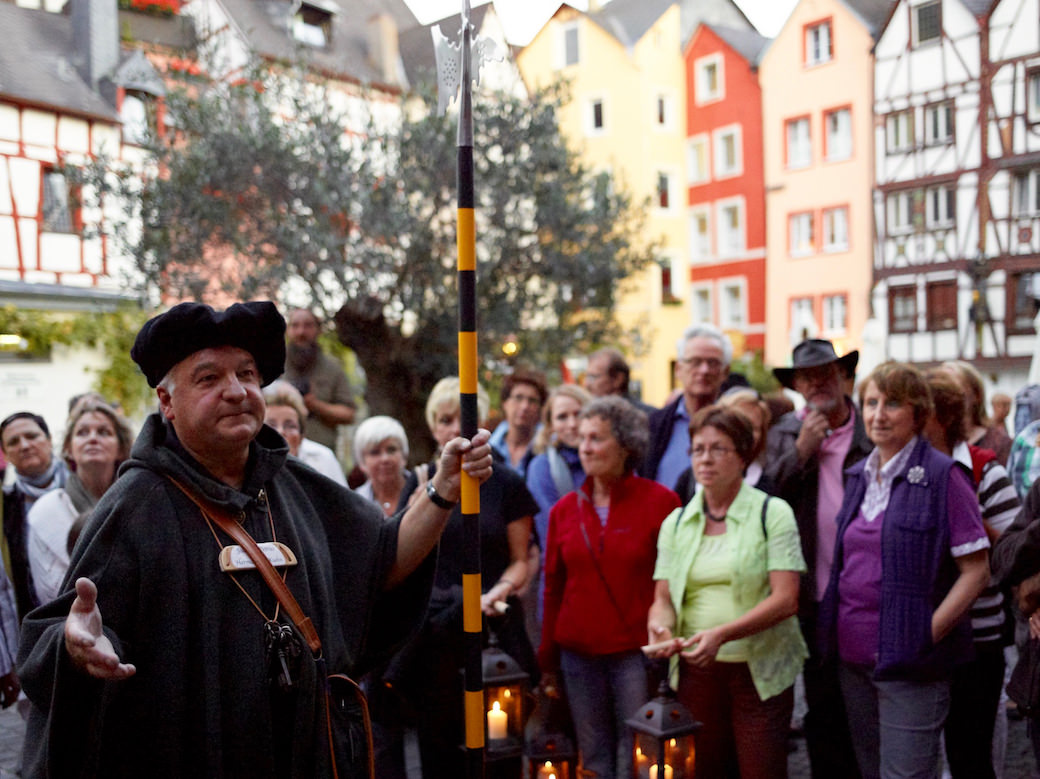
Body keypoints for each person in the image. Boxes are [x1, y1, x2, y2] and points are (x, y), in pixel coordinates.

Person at [17, 301, 493, 777]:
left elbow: (384, 564)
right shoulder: (134, 506)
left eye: (246, 373)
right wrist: (75, 643)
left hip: (306, 755)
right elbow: (59, 633)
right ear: (166, 402)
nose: (236, 391)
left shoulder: (298, 487)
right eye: (209, 379)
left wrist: (441, 492)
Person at [818, 362, 990, 779]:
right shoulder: (858, 474)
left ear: (918, 413)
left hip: (912, 664)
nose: (878, 414)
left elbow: (976, 570)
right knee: (871, 771)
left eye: (892, 403)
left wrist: (925, 633)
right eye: (871, 402)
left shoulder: (942, 475)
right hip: (852, 660)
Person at [375, 376, 538, 779]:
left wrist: (498, 591)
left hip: (493, 622)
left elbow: (523, 559)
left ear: (481, 423)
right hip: (437, 630)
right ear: (433, 426)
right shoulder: (420, 481)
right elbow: (403, 552)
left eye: (464, 420)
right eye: (445, 420)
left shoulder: (508, 483)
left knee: (499, 741)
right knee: (439, 743)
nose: (455, 429)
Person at [648, 406, 807, 779]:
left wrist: (722, 634)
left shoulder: (773, 513)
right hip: (696, 673)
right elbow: (663, 599)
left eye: (718, 449)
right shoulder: (677, 521)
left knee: (760, 770)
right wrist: (662, 631)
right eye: (698, 448)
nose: (705, 458)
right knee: (703, 769)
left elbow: (786, 599)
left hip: (759, 673)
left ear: (742, 455)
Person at [540, 396, 680, 779]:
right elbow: (552, 586)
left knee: (642, 751)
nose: (585, 447)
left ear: (626, 446)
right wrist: (547, 658)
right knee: (594, 755)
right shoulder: (563, 510)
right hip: (577, 655)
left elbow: (672, 582)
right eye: (582, 439)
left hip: (633, 654)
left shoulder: (662, 503)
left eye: (597, 438)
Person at [764, 338, 871, 778]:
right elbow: (766, 497)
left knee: (865, 707)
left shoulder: (872, 428)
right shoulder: (786, 433)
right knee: (822, 705)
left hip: (864, 591)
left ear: (843, 376)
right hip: (811, 593)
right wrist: (802, 451)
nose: (818, 383)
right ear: (797, 386)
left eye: (826, 373)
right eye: (807, 377)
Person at [922, 370, 1019, 778]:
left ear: (941, 418)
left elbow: (1017, 554)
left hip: (978, 635)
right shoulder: (903, 470)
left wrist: (971, 521)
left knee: (969, 754)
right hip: (921, 636)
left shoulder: (984, 470)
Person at [26, 399, 134, 605]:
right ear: (68, 448)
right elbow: (52, 596)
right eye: (82, 432)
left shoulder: (138, 504)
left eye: (104, 432)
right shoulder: (46, 511)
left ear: (121, 448)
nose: (92, 438)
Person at [645, 324, 730, 491]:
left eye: (712, 363)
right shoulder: (653, 425)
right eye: (695, 362)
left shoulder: (737, 426)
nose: (704, 370)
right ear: (678, 369)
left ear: (725, 372)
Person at [0, 411, 68, 620]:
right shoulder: (6, 507)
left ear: (49, 441)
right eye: (14, 442)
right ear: (6, 454)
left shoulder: (80, 489)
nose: (25, 445)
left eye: (32, 436)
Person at [674, 388, 772, 502]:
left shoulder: (771, 483)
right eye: (736, 424)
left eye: (753, 427)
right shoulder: (689, 479)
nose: (744, 432)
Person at [281, 307, 356, 451]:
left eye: (308, 325)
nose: (301, 332)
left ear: (318, 330)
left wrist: (315, 405)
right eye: (295, 325)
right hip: (280, 452)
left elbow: (349, 414)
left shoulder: (333, 368)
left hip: (322, 453)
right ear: (288, 331)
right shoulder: (273, 365)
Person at [261, 379, 347, 486]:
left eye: (290, 426)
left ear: (301, 435)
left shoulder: (322, 458)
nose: (280, 432)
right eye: (271, 425)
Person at [944, 360, 1012, 465]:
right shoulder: (932, 441)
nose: (946, 395)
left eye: (955, 387)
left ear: (976, 395)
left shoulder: (999, 442)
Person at [489, 368, 548, 476]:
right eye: (518, 398)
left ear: (541, 407)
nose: (525, 406)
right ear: (505, 403)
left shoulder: (549, 449)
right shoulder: (488, 448)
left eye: (532, 400)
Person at [352, 415, 412, 517]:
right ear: (362, 462)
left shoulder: (424, 490)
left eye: (391, 450)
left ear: (404, 455)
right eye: (374, 452)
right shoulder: (355, 502)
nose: (385, 459)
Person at [583, 347, 656, 415]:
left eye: (593, 377)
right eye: (587, 377)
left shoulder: (647, 417)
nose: (586, 384)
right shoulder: (588, 415)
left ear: (618, 379)